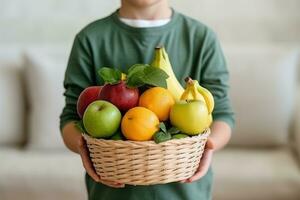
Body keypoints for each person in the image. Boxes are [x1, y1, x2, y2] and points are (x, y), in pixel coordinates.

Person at [60, 0, 235, 199]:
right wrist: (83, 147)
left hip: (186, 193)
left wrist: (207, 145)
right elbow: (71, 117)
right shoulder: (90, 39)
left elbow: (221, 113)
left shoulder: (201, 38)